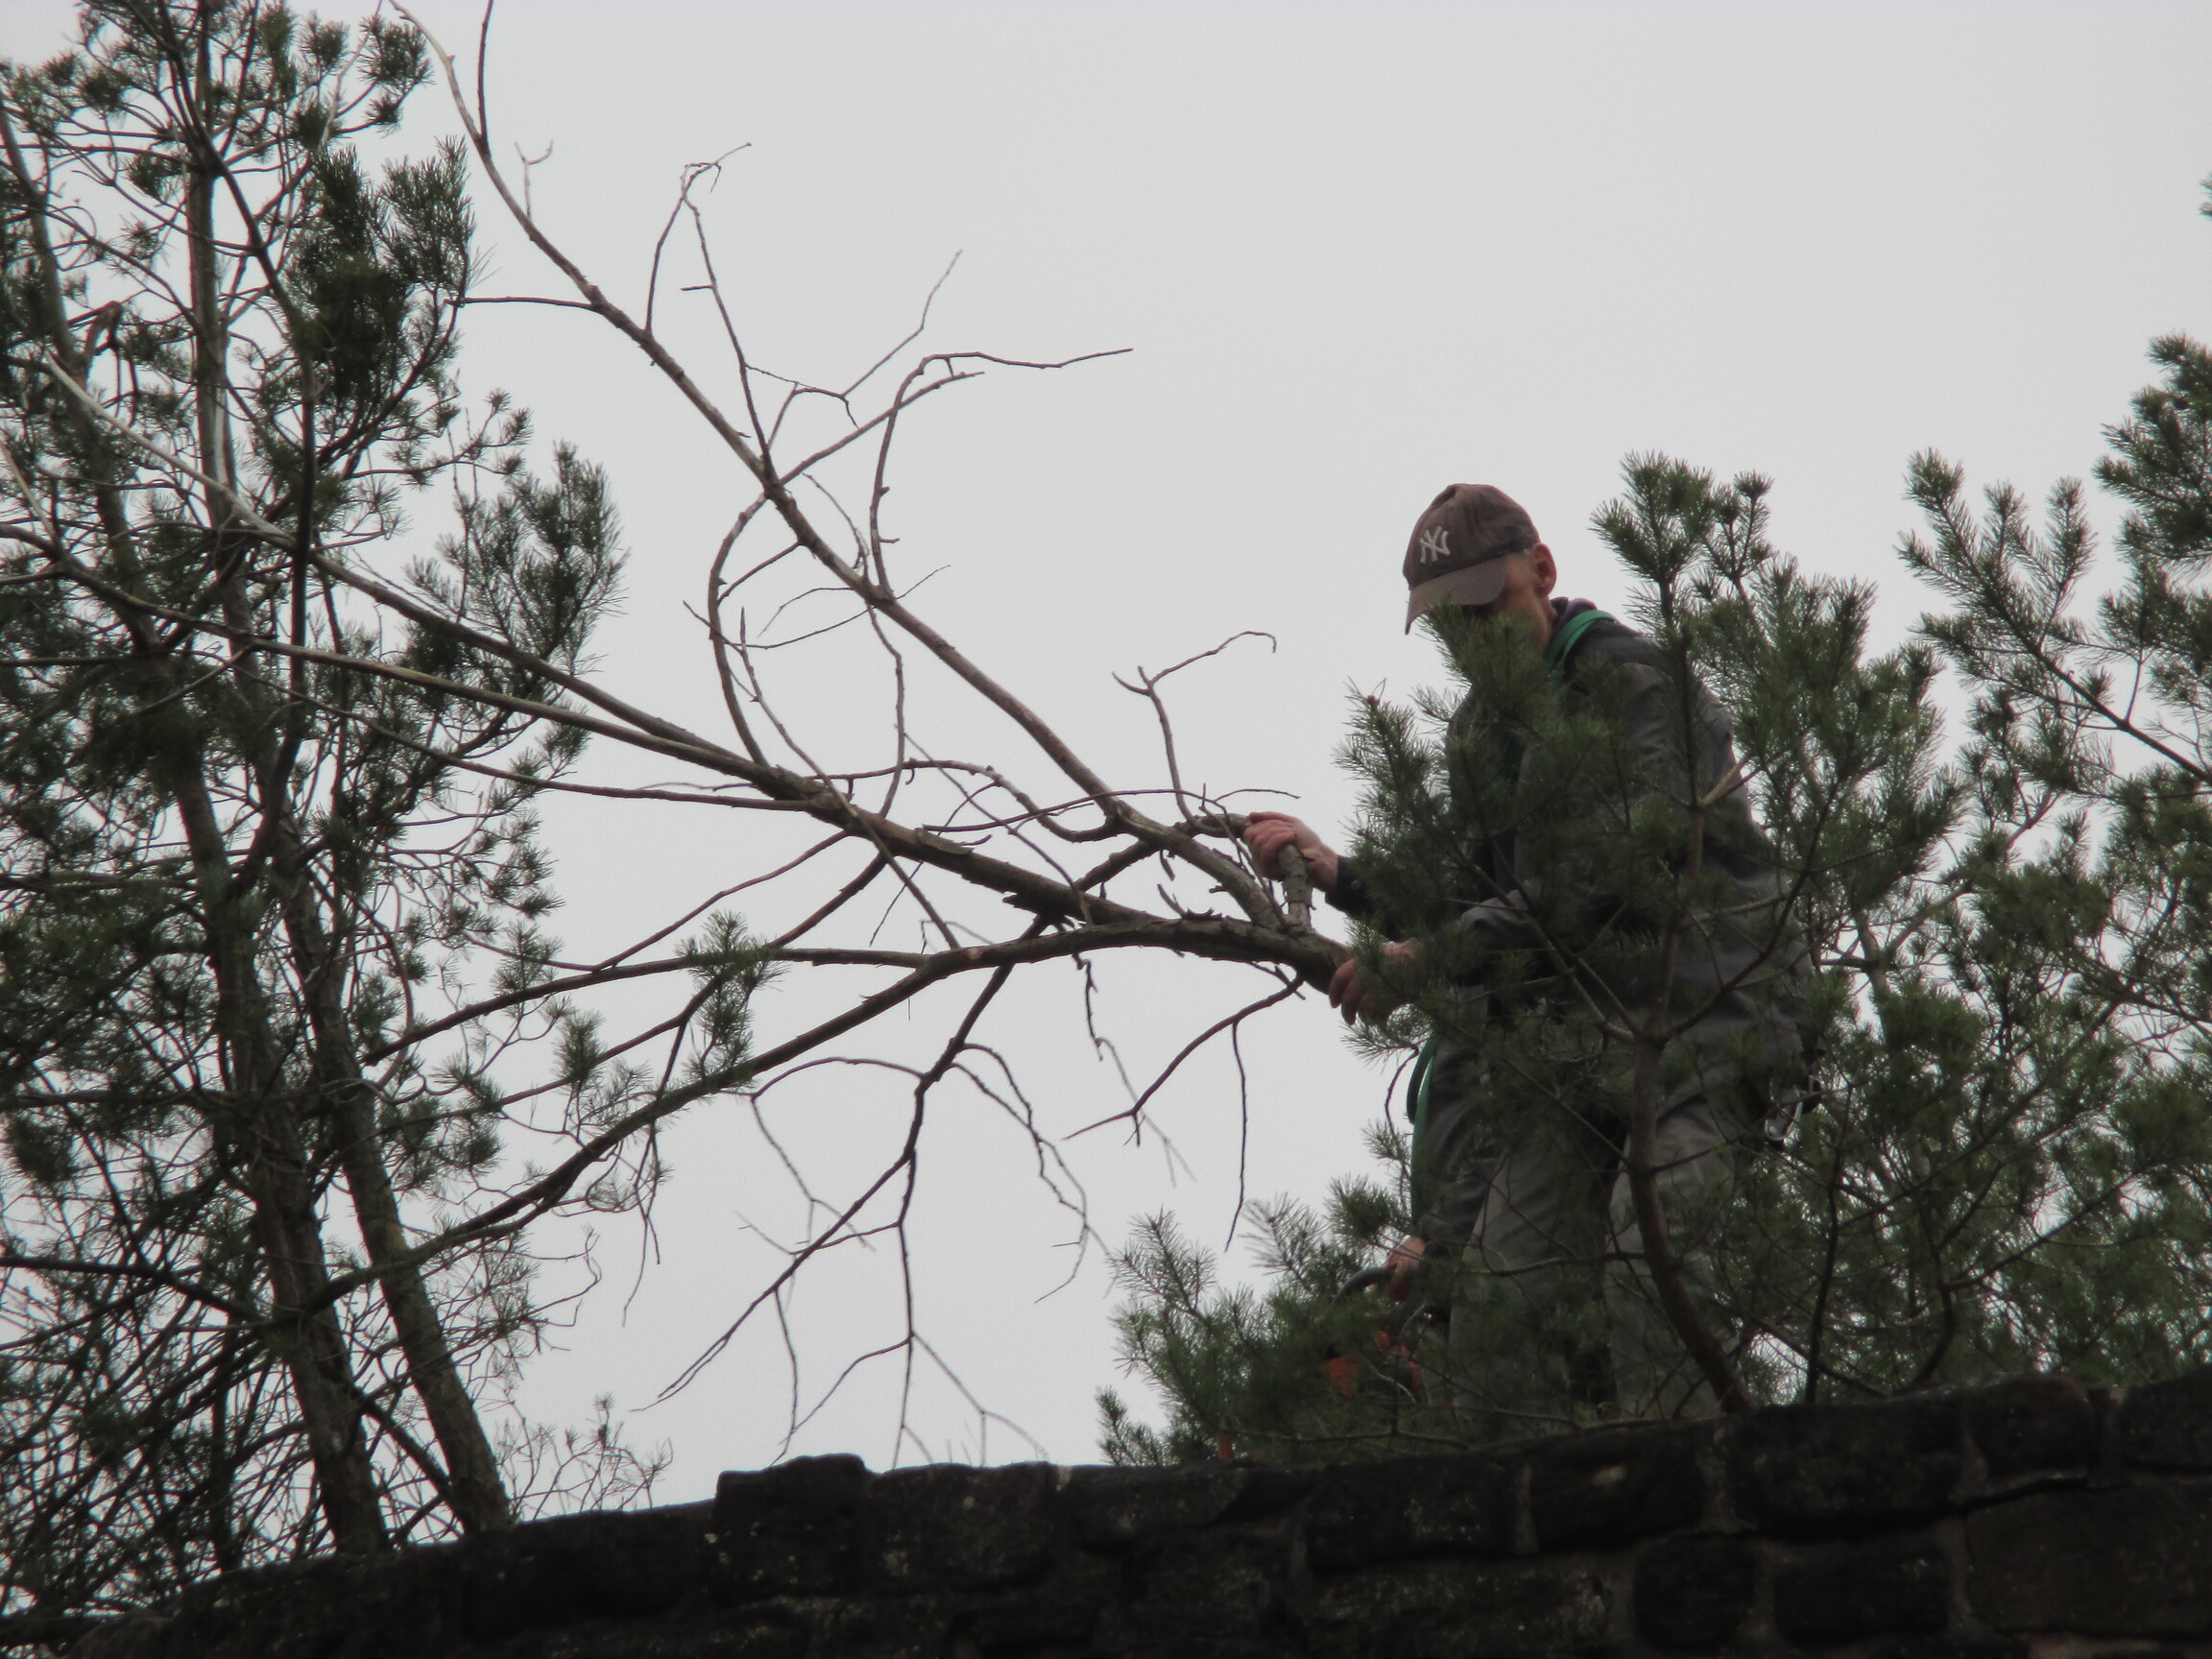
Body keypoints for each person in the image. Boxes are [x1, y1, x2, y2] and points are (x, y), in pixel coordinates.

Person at [1246, 483, 1810, 1425]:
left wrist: (1429, 957)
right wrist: (1341, 875)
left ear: (1542, 571)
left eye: (1484, 605)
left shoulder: (1639, 687)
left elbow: (1612, 875)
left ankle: (1698, 1505)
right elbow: (1475, 908)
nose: (1471, 637)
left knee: (1650, 1273)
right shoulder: (1481, 735)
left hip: (1710, 1029)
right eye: (1449, 624)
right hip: (1579, 1056)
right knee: (1496, 1315)